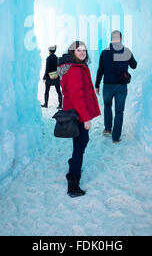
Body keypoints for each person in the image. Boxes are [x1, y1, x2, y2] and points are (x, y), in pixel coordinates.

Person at [57, 41, 101, 198]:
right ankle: (73, 183)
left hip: (76, 113)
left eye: (84, 50)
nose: (82, 53)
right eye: (78, 50)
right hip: (78, 114)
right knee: (80, 145)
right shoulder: (75, 70)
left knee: (81, 142)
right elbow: (77, 96)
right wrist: (86, 118)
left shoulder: (76, 67)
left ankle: (73, 164)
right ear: (72, 52)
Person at [95, 31, 137, 143]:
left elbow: (100, 70)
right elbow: (134, 65)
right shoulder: (126, 51)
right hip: (121, 87)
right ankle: (116, 138)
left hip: (108, 85)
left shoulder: (104, 53)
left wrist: (97, 84)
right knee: (119, 111)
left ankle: (108, 129)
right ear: (121, 39)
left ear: (111, 39)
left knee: (107, 106)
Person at [41, 46, 62, 110]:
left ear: (49, 51)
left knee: (47, 91)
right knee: (58, 91)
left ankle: (46, 104)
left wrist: (44, 76)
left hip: (49, 77)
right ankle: (60, 105)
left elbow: (47, 69)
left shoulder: (48, 58)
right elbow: (59, 68)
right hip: (56, 77)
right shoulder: (57, 58)